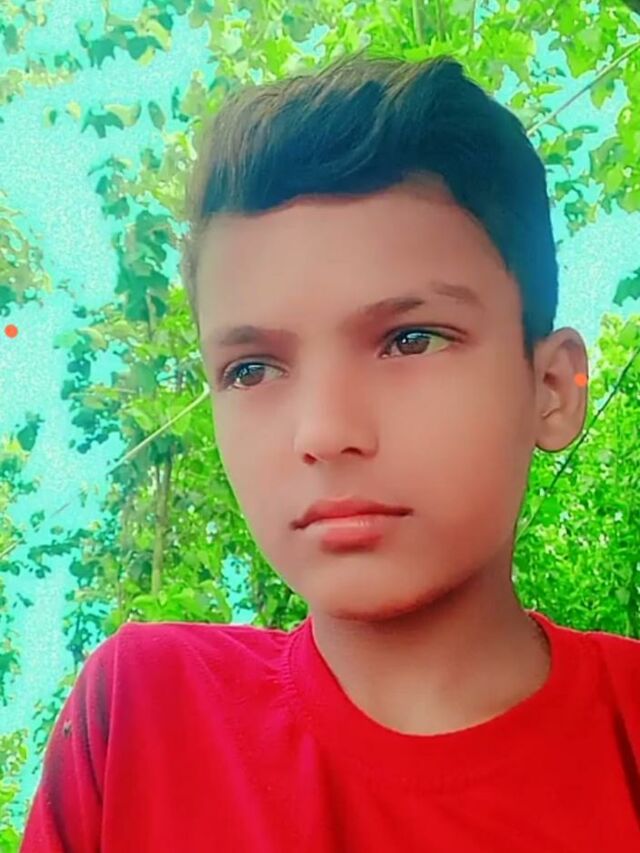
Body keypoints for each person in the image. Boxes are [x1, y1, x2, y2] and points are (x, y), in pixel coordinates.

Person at [21, 49, 640, 852]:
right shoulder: (141, 722)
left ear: (552, 387)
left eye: (410, 339)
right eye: (252, 368)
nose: (322, 432)